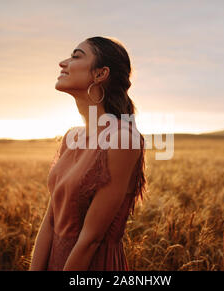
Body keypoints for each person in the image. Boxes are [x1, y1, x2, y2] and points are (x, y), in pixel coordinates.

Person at [29, 36, 146, 271]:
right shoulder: (72, 138)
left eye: (75, 56)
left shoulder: (123, 139)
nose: (63, 63)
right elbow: (50, 220)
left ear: (100, 74)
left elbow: (90, 240)